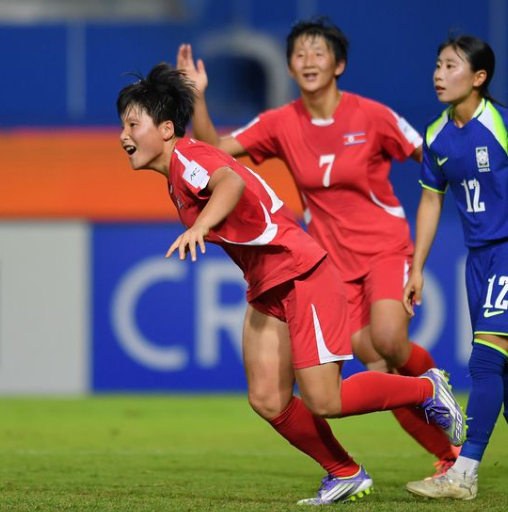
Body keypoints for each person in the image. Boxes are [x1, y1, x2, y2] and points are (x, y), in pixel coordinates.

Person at [115, 62, 464, 505]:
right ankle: (345, 471)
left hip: (301, 271)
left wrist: (200, 226)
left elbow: (230, 182)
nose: (123, 135)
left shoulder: (188, 159)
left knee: (325, 400)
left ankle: (427, 389)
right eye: (122, 124)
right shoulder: (180, 170)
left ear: (166, 129)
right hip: (267, 283)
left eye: (132, 123)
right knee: (266, 397)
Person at [402, 35, 508, 501]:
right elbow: (431, 204)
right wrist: (416, 267)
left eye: (451, 66)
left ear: (478, 77)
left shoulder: (507, 123)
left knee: (483, 362)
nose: (439, 74)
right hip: (477, 260)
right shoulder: (436, 136)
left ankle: (462, 474)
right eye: (437, 65)